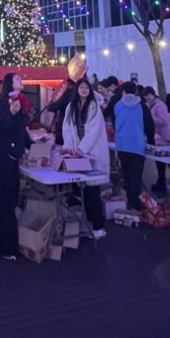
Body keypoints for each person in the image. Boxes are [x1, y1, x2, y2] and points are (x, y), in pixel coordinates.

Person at [62, 78, 110, 239]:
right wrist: (69, 147)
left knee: (93, 191)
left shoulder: (94, 106)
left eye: (86, 87)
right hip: (79, 155)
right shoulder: (71, 106)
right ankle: (89, 222)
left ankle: (98, 227)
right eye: (80, 87)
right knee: (83, 189)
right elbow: (67, 128)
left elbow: (94, 131)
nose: (83, 90)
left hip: (92, 153)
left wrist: (82, 149)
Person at [0, 77, 32, 260]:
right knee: (6, 202)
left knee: (11, 199)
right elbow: (1, 129)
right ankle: (7, 248)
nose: (21, 79)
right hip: (4, 157)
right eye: (17, 78)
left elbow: (21, 129)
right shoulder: (4, 102)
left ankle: (10, 243)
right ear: (10, 83)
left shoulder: (16, 100)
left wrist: (32, 144)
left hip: (11, 157)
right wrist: (12, 113)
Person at [113, 80, 155, 210]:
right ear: (136, 91)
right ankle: (135, 202)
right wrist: (151, 140)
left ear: (124, 92)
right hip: (137, 144)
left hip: (121, 144)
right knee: (136, 175)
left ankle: (130, 201)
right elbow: (150, 125)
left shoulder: (117, 105)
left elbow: (115, 123)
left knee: (126, 173)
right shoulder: (142, 106)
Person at [143, 86, 170, 193]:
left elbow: (164, 121)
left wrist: (150, 119)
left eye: (148, 95)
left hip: (166, 137)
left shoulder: (159, 105)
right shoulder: (149, 105)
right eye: (145, 96)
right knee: (161, 163)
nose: (147, 98)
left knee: (169, 162)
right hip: (159, 138)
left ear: (153, 94)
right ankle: (165, 183)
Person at [48, 54, 85, 144]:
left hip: (66, 125)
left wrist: (50, 105)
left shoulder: (70, 91)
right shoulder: (79, 92)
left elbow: (58, 104)